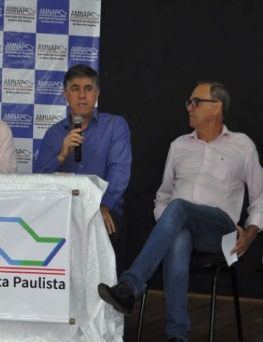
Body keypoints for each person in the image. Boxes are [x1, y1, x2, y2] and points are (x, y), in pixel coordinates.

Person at [98, 81, 263, 342]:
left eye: (196, 102)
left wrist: (252, 233)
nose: (189, 107)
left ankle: (131, 286)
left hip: (223, 233)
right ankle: (177, 335)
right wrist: (169, 224)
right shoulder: (179, 146)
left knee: (179, 208)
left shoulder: (242, 145)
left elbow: (260, 195)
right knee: (178, 235)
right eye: (189, 102)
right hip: (182, 225)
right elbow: (162, 196)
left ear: (217, 107)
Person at [35, 64, 131, 241]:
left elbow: (119, 172)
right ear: (66, 95)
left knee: (94, 230)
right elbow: (38, 180)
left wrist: (102, 205)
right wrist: (61, 156)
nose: (81, 95)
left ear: (97, 94)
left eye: (88, 88)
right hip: (61, 211)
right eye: (75, 89)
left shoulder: (115, 126)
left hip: (102, 209)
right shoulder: (53, 134)